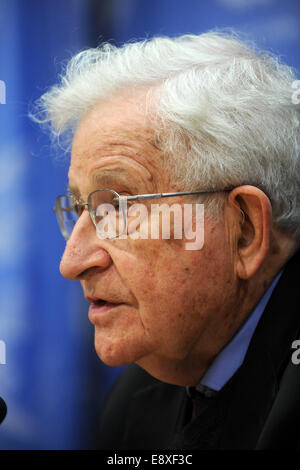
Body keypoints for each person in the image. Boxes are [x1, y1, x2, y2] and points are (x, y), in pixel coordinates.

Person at [33, 31, 300, 449]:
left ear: (244, 230)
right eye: (80, 208)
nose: (72, 262)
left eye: (119, 207)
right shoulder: (135, 401)